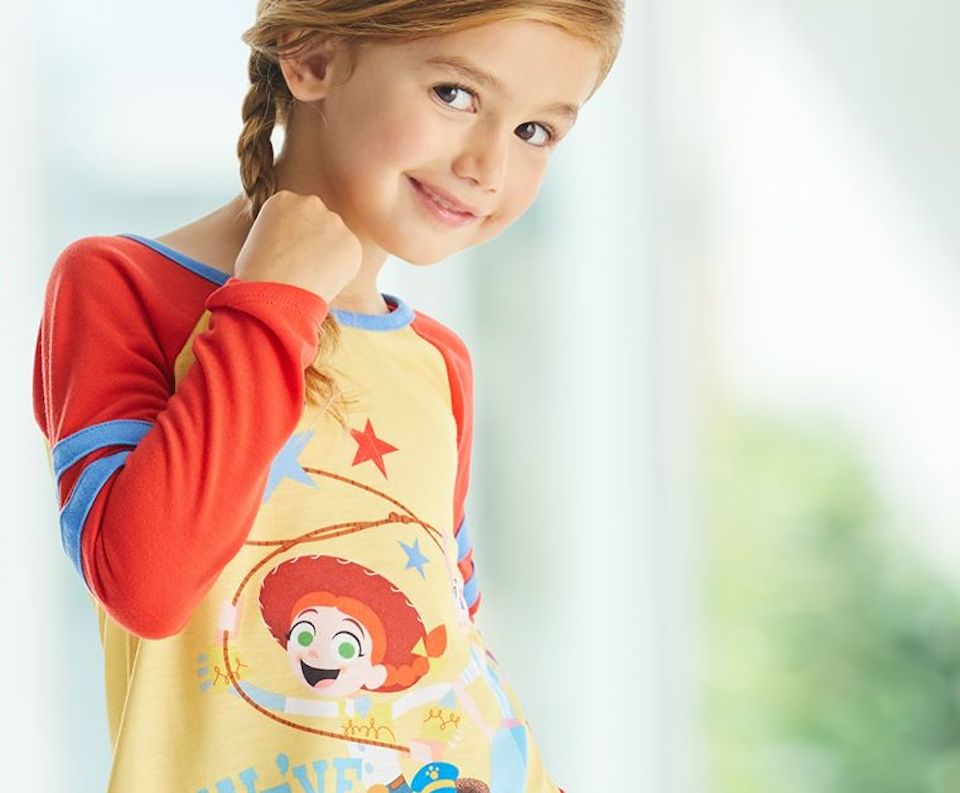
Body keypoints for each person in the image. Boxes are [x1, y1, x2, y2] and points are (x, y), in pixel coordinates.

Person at [31, 2, 624, 791]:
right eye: (456, 94)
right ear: (310, 57)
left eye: (535, 132)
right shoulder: (121, 286)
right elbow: (147, 582)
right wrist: (275, 296)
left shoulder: (436, 362)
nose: (489, 166)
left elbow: (451, 647)